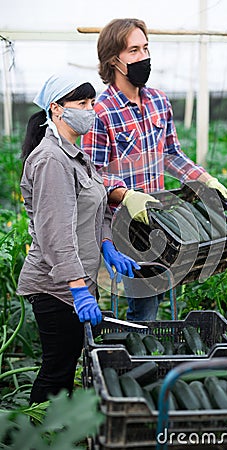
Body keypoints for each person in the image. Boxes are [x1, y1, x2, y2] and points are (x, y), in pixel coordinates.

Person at [82, 18, 227, 321]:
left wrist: (203, 178)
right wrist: (125, 195)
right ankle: (136, 356)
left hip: (160, 217)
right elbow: (91, 174)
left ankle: (146, 349)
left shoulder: (159, 101)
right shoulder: (100, 111)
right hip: (125, 223)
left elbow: (171, 155)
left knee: (163, 289)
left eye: (146, 48)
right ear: (114, 60)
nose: (144, 57)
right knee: (145, 302)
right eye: (134, 50)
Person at [17, 72, 140, 404]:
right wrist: (77, 291)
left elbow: (91, 209)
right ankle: (35, 434)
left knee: (68, 362)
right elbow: (56, 234)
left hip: (78, 282)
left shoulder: (75, 154)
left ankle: (56, 429)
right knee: (57, 370)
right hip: (56, 287)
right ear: (57, 109)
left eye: (92, 102)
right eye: (82, 103)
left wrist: (107, 245)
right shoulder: (50, 160)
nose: (91, 109)